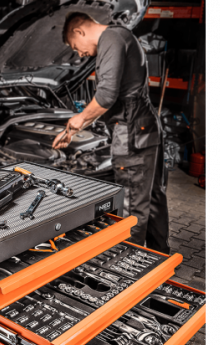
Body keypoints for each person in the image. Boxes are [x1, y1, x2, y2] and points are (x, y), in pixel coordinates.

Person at [53, 12, 170, 254]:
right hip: (145, 126)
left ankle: (129, 266)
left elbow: (106, 96)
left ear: (79, 31)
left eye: (75, 47)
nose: (80, 54)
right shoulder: (120, 36)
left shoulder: (111, 38)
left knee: (131, 204)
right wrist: (76, 128)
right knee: (152, 196)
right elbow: (111, 99)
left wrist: (78, 119)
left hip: (132, 132)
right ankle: (158, 254)